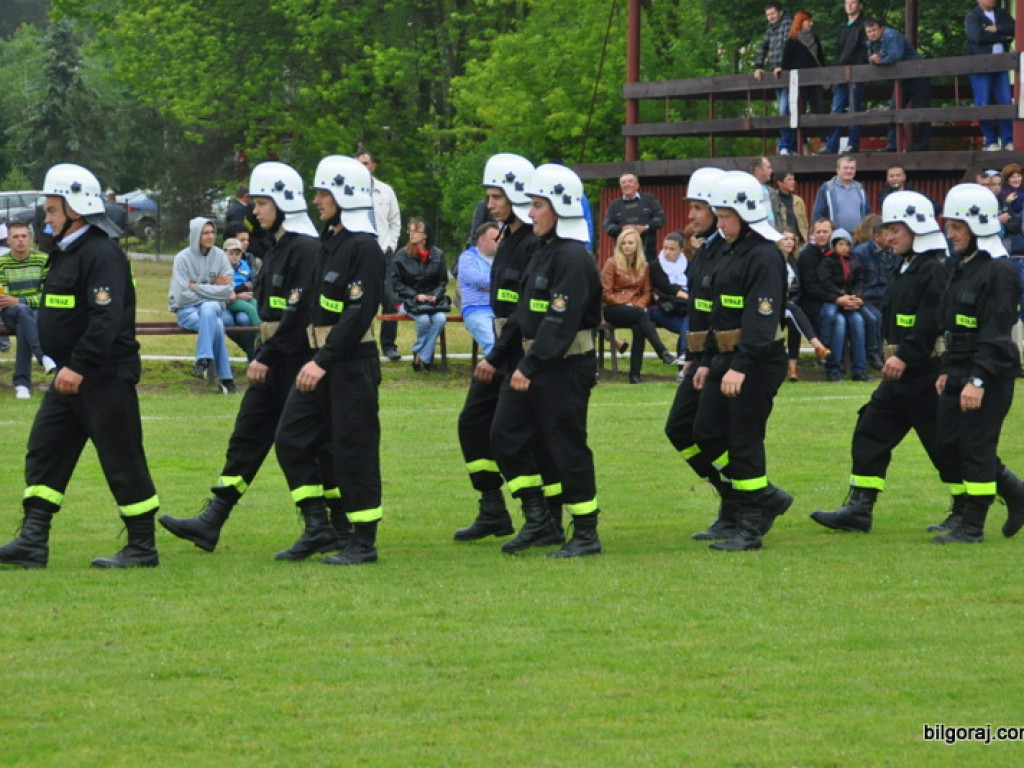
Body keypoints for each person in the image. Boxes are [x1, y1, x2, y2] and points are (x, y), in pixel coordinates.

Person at [157, 162, 328, 554]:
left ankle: (320, 523)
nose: (256, 212)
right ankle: (212, 520)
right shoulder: (281, 246)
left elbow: (297, 313)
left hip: (293, 358)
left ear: (284, 203)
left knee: (298, 442)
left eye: (263, 203)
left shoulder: (305, 248)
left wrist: (264, 354)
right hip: (275, 356)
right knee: (247, 435)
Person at [0, 163, 160, 569]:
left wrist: (79, 366)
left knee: (121, 457)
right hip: (68, 375)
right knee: (45, 449)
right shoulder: (63, 253)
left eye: (52, 210)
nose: (45, 218)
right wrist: (61, 366)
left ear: (76, 209)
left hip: (103, 374)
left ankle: (142, 547)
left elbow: (105, 320)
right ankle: (33, 540)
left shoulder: (101, 253)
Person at [810, 190, 961, 534]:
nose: (889, 236)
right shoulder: (906, 264)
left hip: (924, 372)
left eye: (896, 229)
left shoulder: (934, 268)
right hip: (900, 374)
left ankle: (969, 508)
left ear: (917, 228)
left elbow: (930, 320)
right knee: (870, 430)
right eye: (888, 229)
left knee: (943, 445)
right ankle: (859, 509)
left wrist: (905, 356)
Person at [479, 163, 602, 557]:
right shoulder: (544, 252)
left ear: (561, 208)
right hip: (533, 364)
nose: (529, 213)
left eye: (536, 205)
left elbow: (559, 323)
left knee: (567, 447)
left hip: (565, 367)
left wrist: (529, 368)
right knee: (503, 436)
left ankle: (585, 532)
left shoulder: (573, 259)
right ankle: (538, 519)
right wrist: (500, 357)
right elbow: (523, 316)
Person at [273, 155, 385, 565]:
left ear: (346, 195)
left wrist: (321, 360)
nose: (317, 200)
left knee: (353, 449)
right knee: (291, 437)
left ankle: (363, 540)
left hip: (350, 363)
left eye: (324, 192)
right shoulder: (330, 241)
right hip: (321, 359)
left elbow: (357, 314)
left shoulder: (365, 248)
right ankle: (318, 527)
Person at [456, 154, 564, 543]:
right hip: (503, 347)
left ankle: (541, 516)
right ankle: (493, 509)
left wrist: (497, 356)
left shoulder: (533, 243)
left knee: (518, 434)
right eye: (488, 196)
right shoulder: (506, 238)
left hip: (518, 351)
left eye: (497, 196)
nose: (491, 205)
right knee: (472, 424)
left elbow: (522, 310)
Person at [691, 170, 791, 551]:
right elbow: (719, 315)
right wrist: (706, 360)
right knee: (706, 432)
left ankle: (750, 525)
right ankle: (762, 499)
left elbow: (760, 321)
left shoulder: (764, 256)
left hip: (755, 363)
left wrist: (740, 366)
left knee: (744, 440)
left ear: (748, 214)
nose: (720, 222)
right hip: (725, 360)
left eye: (726, 215)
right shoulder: (728, 251)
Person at [931, 184, 1024, 543]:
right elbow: (953, 323)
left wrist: (978, 380)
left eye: (957, 226)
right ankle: (1015, 494)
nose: (950, 233)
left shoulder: (999, 271)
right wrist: (946, 368)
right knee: (950, 443)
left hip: (988, 372)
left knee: (976, 446)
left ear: (979, 225)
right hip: (958, 367)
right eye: (949, 225)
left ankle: (972, 526)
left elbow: (995, 330)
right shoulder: (961, 267)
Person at [168, 217, 237, 393]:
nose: (210, 236)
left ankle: (203, 360)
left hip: (212, 309)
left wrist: (196, 287)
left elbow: (228, 291)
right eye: (205, 233)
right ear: (196, 235)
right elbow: (181, 297)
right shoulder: (182, 258)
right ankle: (226, 380)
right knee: (217, 324)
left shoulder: (221, 256)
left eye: (212, 232)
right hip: (187, 311)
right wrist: (213, 289)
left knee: (209, 308)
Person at [601, 229, 678, 383]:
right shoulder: (612, 263)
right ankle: (662, 352)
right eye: (623, 243)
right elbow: (606, 293)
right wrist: (626, 303)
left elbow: (647, 292)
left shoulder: (644, 266)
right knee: (641, 316)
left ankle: (634, 375)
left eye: (630, 243)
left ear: (637, 245)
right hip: (613, 309)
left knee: (639, 327)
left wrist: (637, 305)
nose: (626, 246)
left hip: (636, 310)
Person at [0, 221, 56, 398]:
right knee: (23, 312)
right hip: (10, 313)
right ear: (8, 240)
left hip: (34, 313)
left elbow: (46, 296)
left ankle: (22, 384)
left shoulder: (43, 260)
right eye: (15, 237)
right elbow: (4, 299)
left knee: (25, 319)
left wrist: (20, 300)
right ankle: (42, 356)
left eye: (24, 236)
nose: (20, 240)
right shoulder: (2, 263)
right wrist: (19, 302)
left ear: (30, 238)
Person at [356, 151, 403, 361]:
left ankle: (389, 345)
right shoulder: (348, 193)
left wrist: (391, 245)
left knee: (390, 301)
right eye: (358, 164)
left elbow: (395, 221)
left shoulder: (385, 191)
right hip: (358, 256)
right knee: (359, 301)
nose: (363, 167)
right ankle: (360, 343)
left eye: (366, 163)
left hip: (383, 255)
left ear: (373, 165)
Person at [865, 17, 931, 153]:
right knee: (893, 109)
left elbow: (895, 55)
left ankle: (921, 145)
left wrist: (879, 61)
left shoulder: (892, 35)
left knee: (922, 110)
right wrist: (874, 60)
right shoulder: (871, 43)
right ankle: (892, 145)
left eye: (874, 30)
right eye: (869, 31)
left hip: (918, 74)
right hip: (902, 78)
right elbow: (870, 58)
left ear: (881, 28)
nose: (872, 34)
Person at [391, 218, 448, 371]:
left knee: (440, 319)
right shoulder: (401, 255)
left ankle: (420, 354)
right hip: (407, 300)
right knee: (423, 320)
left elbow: (442, 281)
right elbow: (396, 283)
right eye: (410, 230)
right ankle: (425, 357)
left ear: (426, 235)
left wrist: (435, 295)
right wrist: (416, 295)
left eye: (416, 230)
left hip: (431, 301)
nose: (412, 233)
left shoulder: (438, 254)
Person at [819, 228, 871, 382]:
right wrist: (840, 296)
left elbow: (860, 281)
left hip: (851, 302)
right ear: (833, 245)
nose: (843, 248)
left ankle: (860, 369)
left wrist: (856, 297)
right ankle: (832, 366)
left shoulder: (854, 263)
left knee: (859, 322)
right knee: (837, 322)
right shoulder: (827, 261)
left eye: (846, 244)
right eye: (840, 244)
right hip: (832, 300)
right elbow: (824, 283)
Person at [778, 228, 829, 381]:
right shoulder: (773, 260)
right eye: (785, 238)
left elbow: (797, 288)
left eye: (792, 239)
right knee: (794, 311)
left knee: (794, 320)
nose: (789, 242)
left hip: (788, 304)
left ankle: (792, 367)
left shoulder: (794, 262)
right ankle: (817, 344)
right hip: (772, 304)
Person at [965, 0, 1015, 152]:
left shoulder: (1002, 13)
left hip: (1001, 65)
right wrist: (1003, 37)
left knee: (1005, 101)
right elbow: (977, 36)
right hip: (981, 65)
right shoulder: (972, 16)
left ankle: (1008, 141)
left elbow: (1014, 28)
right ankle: (990, 142)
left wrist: (996, 28)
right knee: (983, 103)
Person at [822, 0, 868, 155]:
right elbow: (838, 51)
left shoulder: (864, 25)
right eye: (847, 2)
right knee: (836, 108)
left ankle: (852, 144)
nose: (849, 5)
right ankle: (831, 145)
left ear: (860, 5)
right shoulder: (842, 26)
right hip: (840, 72)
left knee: (855, 107)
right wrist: (835, 71)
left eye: (853, 2)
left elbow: (864, 50)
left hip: (856, 71)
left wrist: (857, 66)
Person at [752, 2, 796, 155]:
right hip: (776, 75)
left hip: (789, 74)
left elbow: (789, 46)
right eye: (768, 15)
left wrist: (783, 66)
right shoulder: (770, 29)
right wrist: (759, 66)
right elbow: (763, 46)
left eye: (773, 14)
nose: (770, 17)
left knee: (785, 109)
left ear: (780, 12)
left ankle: (786, 145)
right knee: (782, 109)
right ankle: (789, 145)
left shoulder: (788, 25)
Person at [852, 214, 894, 369]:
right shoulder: (860, 253)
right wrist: (859, 296)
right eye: (886, 234)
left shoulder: (894, 251)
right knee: (874, 318)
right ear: (876, 236)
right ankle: (874, 353)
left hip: (886, 296)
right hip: (866, 297)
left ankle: (891, 353)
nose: (890, 237)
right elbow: (856, 279)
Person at [781, 10, 826, 145]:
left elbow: (821, 60)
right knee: (799, 111)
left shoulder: (815, 38)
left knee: (819, 109)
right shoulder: (792, 41)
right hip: (799, 82)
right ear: (800, 22)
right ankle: (802, 143)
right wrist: (802, 67)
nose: (811, 24)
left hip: (815, 81)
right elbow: (785, 63)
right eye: (808, 21)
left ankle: (824, 141)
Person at [457, 221, 501, 357]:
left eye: (501, 239)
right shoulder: (467, 257)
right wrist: (499, 282)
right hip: (476, 309)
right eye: (496, 239)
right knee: (492, 343)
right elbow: (477, 279)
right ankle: (497, 375)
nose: (500, 242)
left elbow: (516, 280)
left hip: (501, 309)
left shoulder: (503, 257)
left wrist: (489, 286)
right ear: (481, 240)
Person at [602, 172, 666, 261]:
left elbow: (661, 219)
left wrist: (645, 227)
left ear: (637, 185)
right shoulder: (614, 205)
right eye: (623, 183)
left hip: (648, 255)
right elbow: (607, 226)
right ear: (621, 187)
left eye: (630, 181)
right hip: (623, 258)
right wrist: (622, 229)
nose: (626, 184)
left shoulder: (649, 199)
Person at [648, 231, 690, 362]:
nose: (667, 252)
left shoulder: (688, 265)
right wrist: (681, 293)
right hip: (662, 309)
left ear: (681, 250)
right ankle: (684, 358)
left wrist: (680, 294)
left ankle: (682, 360)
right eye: (665, 247)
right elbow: (663, 286)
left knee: (687, 324)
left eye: (672, 249)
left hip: (683, 309)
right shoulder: (655, 265)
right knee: (688, 329)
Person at [811, 156, 869, 234]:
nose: (849, 171)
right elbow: (818, 215)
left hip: (858, 237)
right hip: (835, 237)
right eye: (845, 168)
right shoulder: (827, 188)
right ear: (838, 170)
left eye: (852, 168)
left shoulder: (860, 188)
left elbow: (868, 213)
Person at [770, 170, 809, 244]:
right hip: (780, 240)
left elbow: (805, 223)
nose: (793, 182)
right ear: (780, 183)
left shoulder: (798, 200)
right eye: (789, 179)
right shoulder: (772, 199)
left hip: (798, 241)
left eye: (793, 179)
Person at [750, 157, 777, 225]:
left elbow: (777, 216)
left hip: (772, 234)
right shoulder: (746, 190)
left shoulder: (771, 192)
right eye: (768, 167)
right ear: (758, 170)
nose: (771, 171)